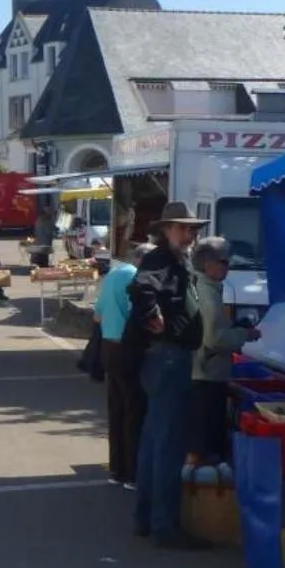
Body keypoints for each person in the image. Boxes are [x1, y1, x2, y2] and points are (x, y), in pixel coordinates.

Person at [126, 204, 210, 548]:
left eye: (193, 230)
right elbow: (140, 288)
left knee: (155, 441)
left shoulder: (175, 260)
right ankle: (164, 525)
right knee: (168, 444)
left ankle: (147, 518)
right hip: (168, 358)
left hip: (168, 357)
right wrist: (153, 316)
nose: (189, 235)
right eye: (182, 229)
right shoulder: (160, 258)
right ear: (166, 230)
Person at [189, 236, 259, 465]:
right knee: (206, 438)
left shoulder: (204, 287)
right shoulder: (207, 294)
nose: (228, 266)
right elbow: (214, 338)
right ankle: (205, 478)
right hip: (207, 373)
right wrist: (244, 335)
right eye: (224, 262)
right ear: (208, 264)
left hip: (204, 370)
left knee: (202, 435)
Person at [95, 247, 144, 486]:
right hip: (127, 347)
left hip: (108, 347)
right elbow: (139, 318)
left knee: (116, 410)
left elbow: (97, 316)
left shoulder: (113, 274)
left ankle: (117, 469)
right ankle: (132, 473)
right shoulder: (136, 278)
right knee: (134, 412)